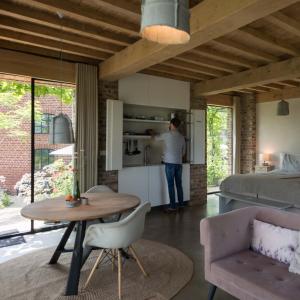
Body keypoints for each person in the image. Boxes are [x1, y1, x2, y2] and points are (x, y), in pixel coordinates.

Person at [154, 117, 186, 212]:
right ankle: (181, 204)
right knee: (179, 185)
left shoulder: (166, 135)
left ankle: (172, 206)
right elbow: (183, 152)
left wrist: (152, 133)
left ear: (171, 124)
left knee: (171, 185)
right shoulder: (181, 137)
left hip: (169, 164)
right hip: (179, 164)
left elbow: (155, 139)